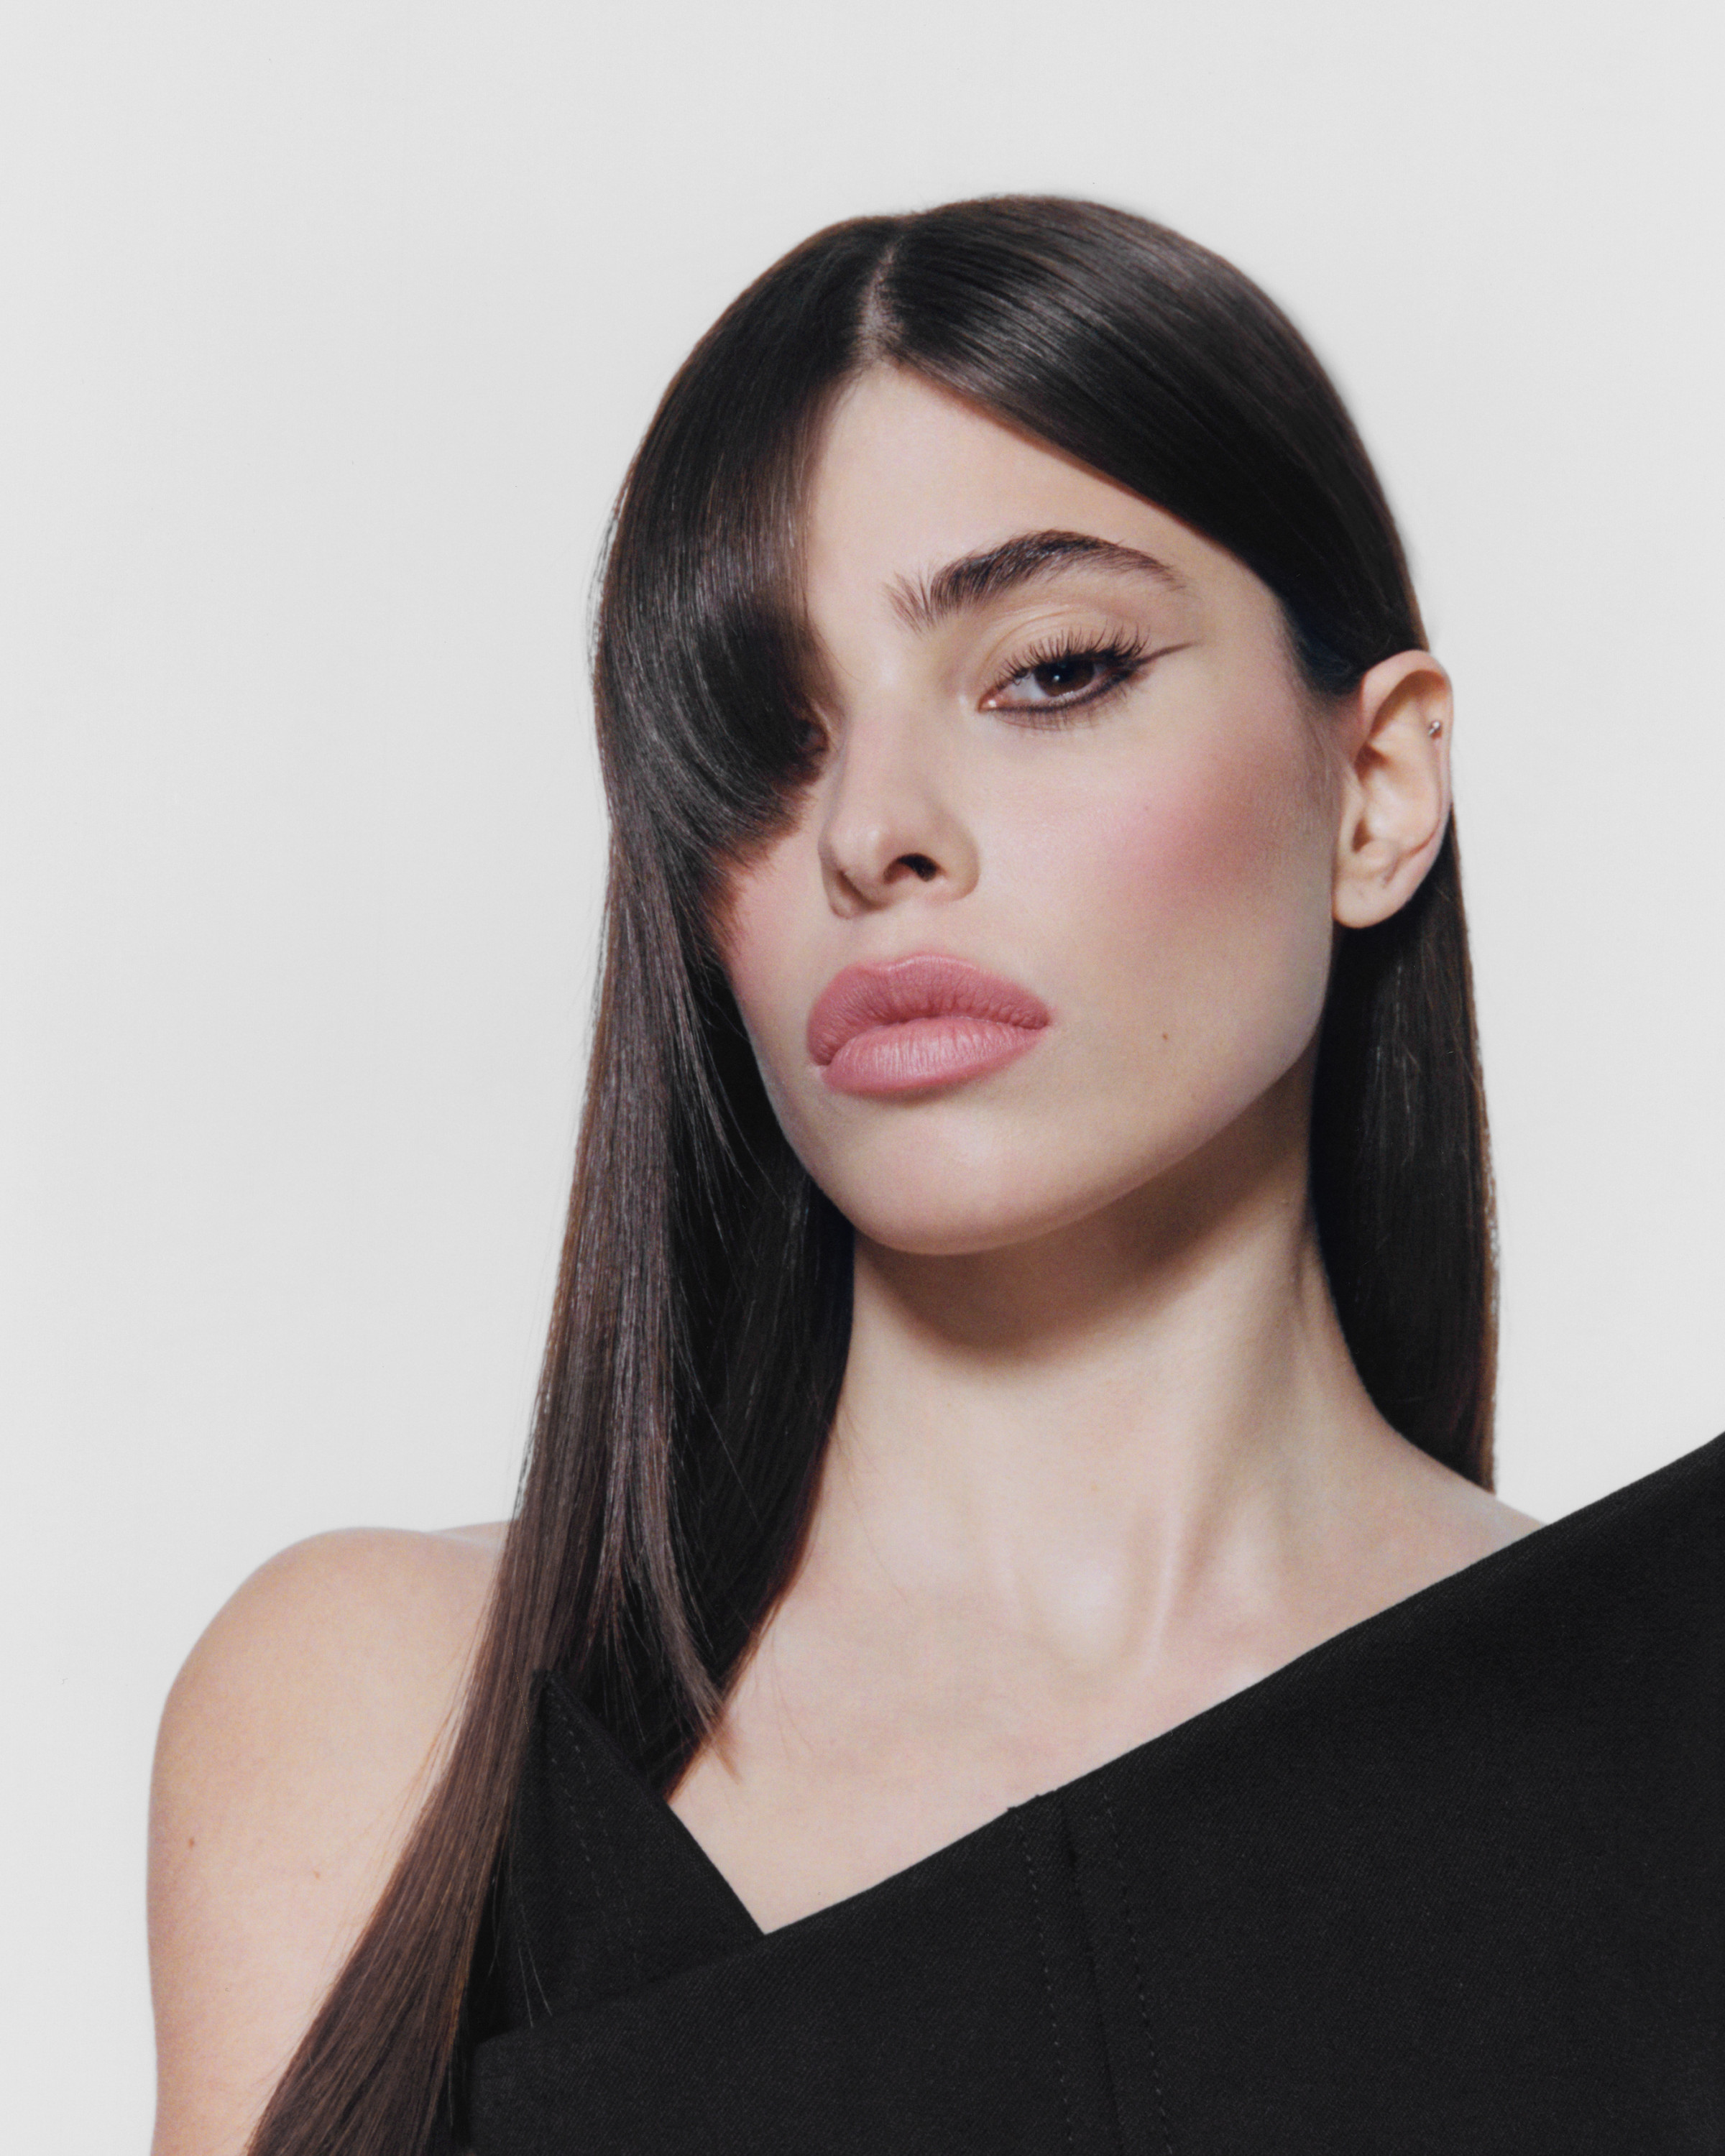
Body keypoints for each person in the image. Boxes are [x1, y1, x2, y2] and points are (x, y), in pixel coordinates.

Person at [147, 197, 1722, 2156]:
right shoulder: (396, 1718)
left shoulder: (1677, 1723)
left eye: (1051, 672)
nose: (873, 830)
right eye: (763, 740)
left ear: (1379, 789)